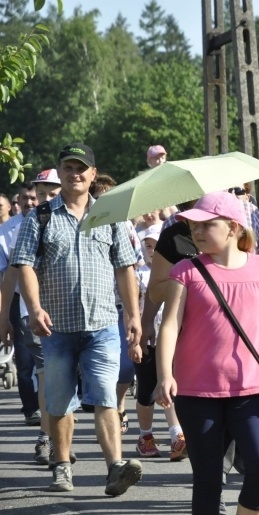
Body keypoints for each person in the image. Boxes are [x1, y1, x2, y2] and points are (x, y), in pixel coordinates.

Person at [155, 191, 259, 515]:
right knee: (208, 479)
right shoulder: (185, 271)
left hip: (251, 391)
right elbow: (169, 327)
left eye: (207, 225)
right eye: (194, 226)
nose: (198, 232)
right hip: (195, 393)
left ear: (234, 228)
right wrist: (165, 375)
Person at [12, 144, 144, 496]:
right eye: (68, 167)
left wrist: (133, 315)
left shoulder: (111, 215)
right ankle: (63, 466)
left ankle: (115, 466)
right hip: (56, 327)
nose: (75, 173)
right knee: (59, 402)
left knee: (104, 396)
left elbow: (125, 268)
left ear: (92, 173)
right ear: (59, 172)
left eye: (81, 167)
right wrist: (34, 307)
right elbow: (23, 264)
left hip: (102, 324)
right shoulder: (39, 217)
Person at [0, 171, 62, 466]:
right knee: (48, 376)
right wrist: (4, 317)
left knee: (64, 381)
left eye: (53, 194)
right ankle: (48, 440)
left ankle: (55, 440)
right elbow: (11, 274)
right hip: (32, 315)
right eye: (42, 195)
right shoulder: (25, 227)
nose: (46, 200)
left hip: (73, 316)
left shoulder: (77, 222)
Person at [90, 173, 145, 436]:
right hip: (96, 308)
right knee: (104, 370)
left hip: (122, 306)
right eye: (100, 199)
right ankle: (108, 414)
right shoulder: (86, 223)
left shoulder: (124, 225)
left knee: (125, 367)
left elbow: (134, 265)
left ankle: (119, 402)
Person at [128, 225, 188, 461]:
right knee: (146, 390)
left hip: (172, 337)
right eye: (148, 246)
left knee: (170, 385)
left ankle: (177, 436)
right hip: (147, 338)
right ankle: (145, 435)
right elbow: (131, 309)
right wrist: (136, 337)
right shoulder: (137, 275)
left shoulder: (178, 273)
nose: (152, 251)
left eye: (156, 246)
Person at [0, 182, 40, 427]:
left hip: (49, 296)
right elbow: (5, 274)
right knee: (25, 359)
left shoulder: (49, 221)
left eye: (34, 197)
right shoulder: (7, 230)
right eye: (25, 198)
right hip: (17, 298)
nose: (30, 202)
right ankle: (31, 408)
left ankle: (54, 407)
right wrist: (3, 314)